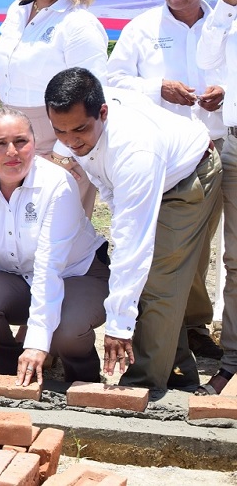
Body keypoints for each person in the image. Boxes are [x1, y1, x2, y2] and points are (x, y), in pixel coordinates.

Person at [45, 67, 221, 393]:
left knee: (158, 281)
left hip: (187, 178)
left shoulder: (134, 150)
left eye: (80, 130)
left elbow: (132, 241)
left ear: (103, 113)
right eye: (60, 131)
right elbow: (105, 183)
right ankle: (176, 375)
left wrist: (119, 326)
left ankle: (143, 386)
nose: (71, 141)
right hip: (146, 177)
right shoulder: (77, 130)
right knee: (148, 280)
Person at [107, 0, 225, 360]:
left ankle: (193, 325)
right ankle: (169, 325)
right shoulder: (141, 27)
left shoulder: (225, 24)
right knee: (168, 242)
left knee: (206, 243)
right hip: (161, 154)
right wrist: (157, 87)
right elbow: (112, 81)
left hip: (219, 143)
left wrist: (223, 96)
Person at [0, 106, 110, 385]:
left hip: (74, 274)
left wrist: (36, 342)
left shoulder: (57, 183)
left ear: (34, 145)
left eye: (21, 141)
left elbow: (50, 265)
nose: (12, 152)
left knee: (66, 330)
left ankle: (82, 377)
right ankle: (8, 372)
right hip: (13, 275)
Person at [0, 0, 108, 212]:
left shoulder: (79, 23)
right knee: (16, 221)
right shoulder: (16, 11)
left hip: (60, 133)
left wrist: (63, 152)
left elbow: (92, 92)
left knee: (59, 224)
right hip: (14, 128)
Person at [196, 0, 237, 394]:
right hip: (235, 141)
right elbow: (206, 61)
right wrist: (226, 3)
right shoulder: (229, 10)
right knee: (234, 260)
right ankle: (233, 361)